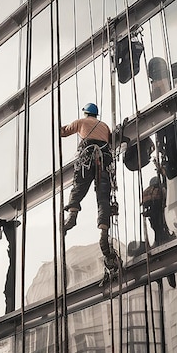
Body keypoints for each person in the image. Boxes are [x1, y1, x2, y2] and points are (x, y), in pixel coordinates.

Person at [60, 103, 119, 273]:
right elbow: (110, 139)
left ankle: (72, 216)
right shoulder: (105, 126)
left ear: (86, 113)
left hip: (87, 157)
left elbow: (63, 132)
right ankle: (103, 233)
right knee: (103, 197)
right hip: (104, 160)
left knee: (79, 186)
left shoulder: (81, 122)